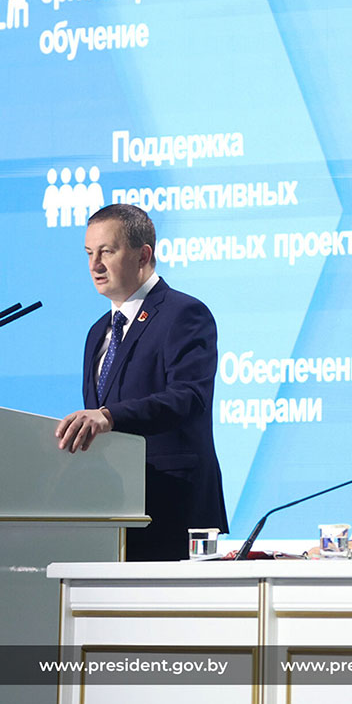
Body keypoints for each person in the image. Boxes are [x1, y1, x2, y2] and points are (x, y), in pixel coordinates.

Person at [55, 204, 228, 561]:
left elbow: (188, 397)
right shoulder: (97, 333)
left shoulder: (184, 314)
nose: (95, 265)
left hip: (173, 505)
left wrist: (109, 416)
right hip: (113, 508)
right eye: (89, 253)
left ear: (143, 255)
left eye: (107, 251)